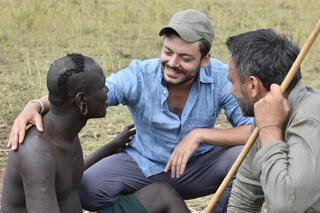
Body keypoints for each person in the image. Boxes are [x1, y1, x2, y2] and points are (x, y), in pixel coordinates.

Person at [7, 9, 253, 212]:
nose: (172, 63)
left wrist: (199, 135)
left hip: (198, 166)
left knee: (249, 158)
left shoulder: (221, 76)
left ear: (205, 59)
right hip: (142, 166)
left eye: (185, 58)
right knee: (88, 189)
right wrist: (36, 105)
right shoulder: (140, 75)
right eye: (167, 52)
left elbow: (254, 130)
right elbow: (83, 92)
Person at [1, 53, 190, 213]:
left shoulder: (63, 131)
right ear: (82, 102)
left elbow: (67, 180)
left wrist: (111, 147)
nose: (107, 90)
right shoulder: (37, 153)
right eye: (102, 87)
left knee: (162, 195)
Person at [225, 29, 320, 212]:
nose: (231, 92)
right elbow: (244, 197)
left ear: (253, 86)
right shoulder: (264, 116)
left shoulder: (311, 117)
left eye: (232, 82)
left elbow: (286, 206)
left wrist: (270, 129)